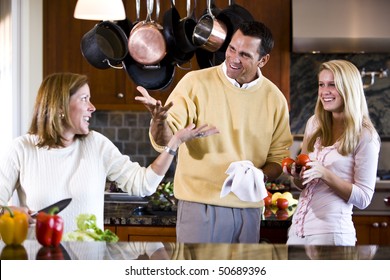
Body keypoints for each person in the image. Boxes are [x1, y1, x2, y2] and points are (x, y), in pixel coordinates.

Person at [0, 72, 218, 234]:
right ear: (60, 106)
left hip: (89, 263)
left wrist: (175, 142)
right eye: (84, 99)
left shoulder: (96, 144)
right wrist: (11, 212)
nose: (92, 107)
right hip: (41, 262)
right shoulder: (21, 150)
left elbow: (143, 184)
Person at [136, 21, 293, 243]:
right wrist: (159, 122)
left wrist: (260, 176)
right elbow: (166, 139)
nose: (234, 58)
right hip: (200, 207)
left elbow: (278, 157)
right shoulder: (195, 83)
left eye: (245, 55)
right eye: (231, 49)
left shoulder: (274, 98)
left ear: (263, 60)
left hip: (248, 210)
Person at [284, 60, 380, 246]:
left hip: (333, 235)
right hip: (298, 231)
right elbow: (302, 184)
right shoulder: (314, 123)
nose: (324, 91)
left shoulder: (365, 135)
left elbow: (364, 198)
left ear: (349, 89)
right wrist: (296, 175)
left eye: (333, 85)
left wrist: (325, 174)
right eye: (321, 84)